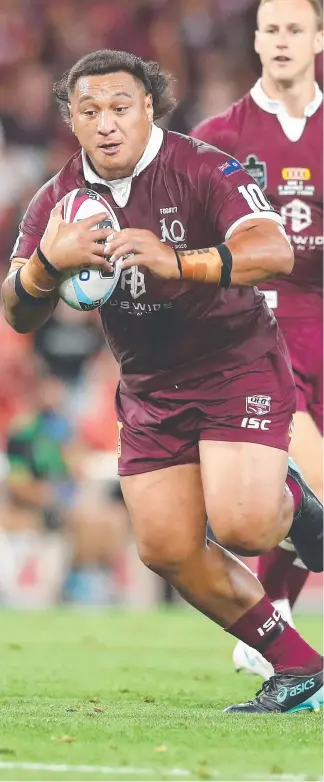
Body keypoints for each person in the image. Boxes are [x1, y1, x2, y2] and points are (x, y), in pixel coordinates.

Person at [1, 49, 323, 714]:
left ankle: (291, 496)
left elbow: (274, 249)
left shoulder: (204, 166)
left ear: (149, 107)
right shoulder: (58, 201)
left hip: (236, 365)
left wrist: (178, 259)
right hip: (150, 389)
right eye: (89, 111)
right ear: (72, 119)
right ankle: (300, 669)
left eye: (120, 107)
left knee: (243, 528)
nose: (106, 123)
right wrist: (44, 268)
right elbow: (16, 310)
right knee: (166, 548)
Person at [191, 0, 323, 680]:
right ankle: (274, 625)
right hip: (262, 334)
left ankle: (269, 618)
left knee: (310, 511)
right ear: (255, 38)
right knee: (316, 491)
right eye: (270, 28)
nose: (280, 40)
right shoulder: (219, 136)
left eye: (294, 28)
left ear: (319, 37)